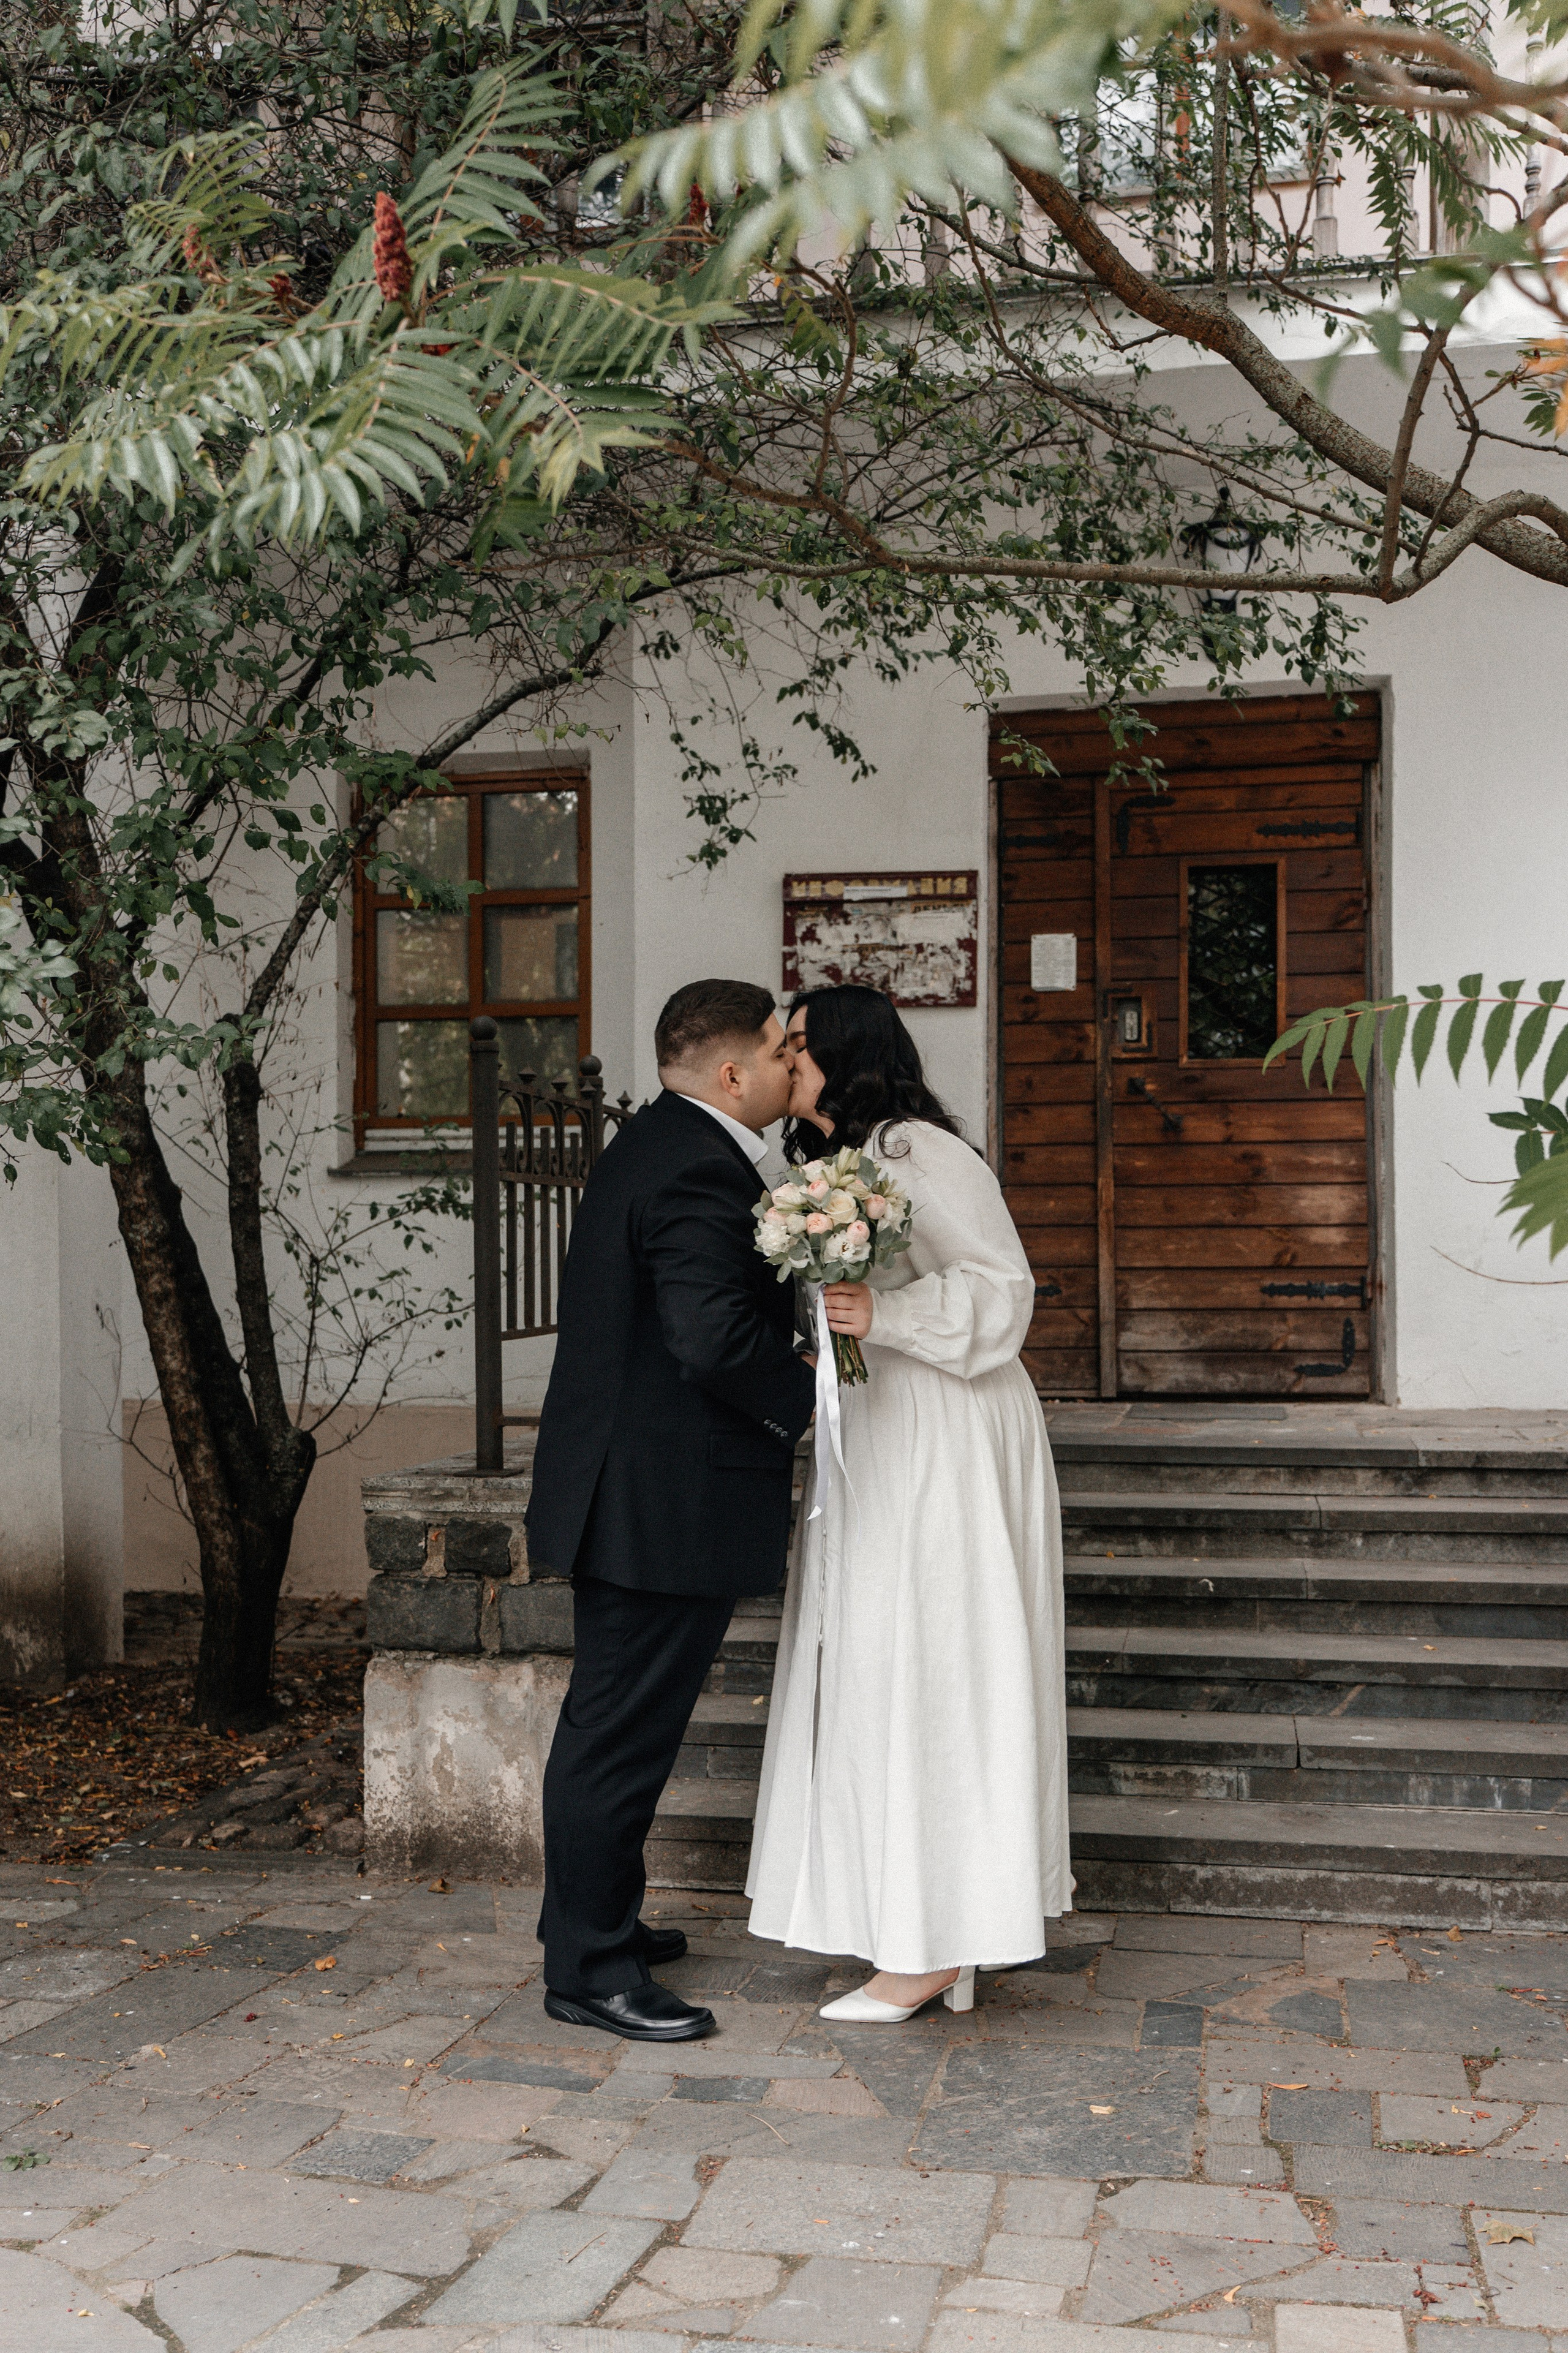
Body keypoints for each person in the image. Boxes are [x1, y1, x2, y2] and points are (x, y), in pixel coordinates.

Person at [746, 983, 1072, 2020]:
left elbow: (1004, 1289)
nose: (785, 1062)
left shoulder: (918, 1153)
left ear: (843, 1052)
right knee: (881, 1657)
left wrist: (884, 1310)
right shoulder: (830, 1165)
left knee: (935, 1654)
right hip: (880, 1429)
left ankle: (937, 1939)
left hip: (947, 1428)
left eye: (797, 1045)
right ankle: (918, 1918)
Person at [526, 978, 816, 2042]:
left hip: (633, 1488)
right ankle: (589, 1968)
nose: (794, 1067)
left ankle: (594, 1920)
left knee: (614, 1725)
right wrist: (813, 1400)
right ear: (733, 1073)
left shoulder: (654, 1143)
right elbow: (712, 1340)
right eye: (784, 1052)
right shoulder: (700, 1167)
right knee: (617, 1735)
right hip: (656, 1498)